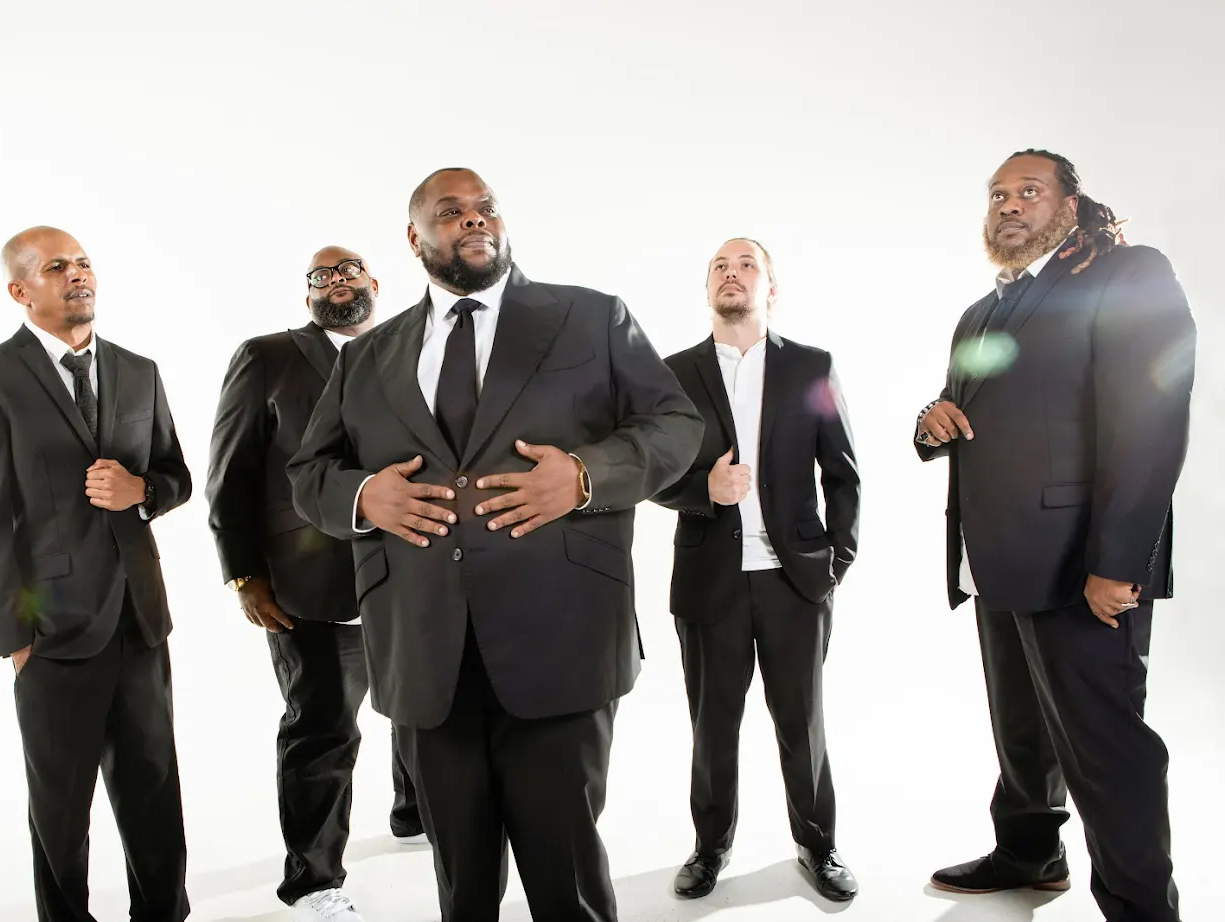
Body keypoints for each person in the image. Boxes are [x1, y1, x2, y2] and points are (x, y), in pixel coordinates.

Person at [288, 168, 704, 922]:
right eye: (450, 213)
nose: (473, 221)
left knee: (566, 880)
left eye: (485, 209)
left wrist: (584, 476)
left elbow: (675, 426)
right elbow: (308, 472)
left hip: (561, 636)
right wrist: (362, 496)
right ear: (414, 239)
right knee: (462, 885)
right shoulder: (365, 357)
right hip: (422, 648)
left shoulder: (590, 317)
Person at [916, 150, 1195, 922]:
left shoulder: (1127, 274)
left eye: (1028, 191)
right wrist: (927, 424)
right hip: (994, 559)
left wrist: (1116, 564)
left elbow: (1149, 422)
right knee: (1021, 730)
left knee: (1106, 751)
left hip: (1082, 565)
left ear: (1069, 205)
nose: (1009, 204)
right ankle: (1028, 851)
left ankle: (1141, 908)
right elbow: (958, 410)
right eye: (998, 194)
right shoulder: (980, 312)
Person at [0, 226, 192, 922]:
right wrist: (13, 636)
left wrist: (140, 490)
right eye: (57, 267)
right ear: (21, 290)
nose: (77, 274)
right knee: (60, 802)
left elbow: (176, 477)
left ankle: (163, 913)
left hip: (140, 619)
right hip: (50, 632)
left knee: (153, 785)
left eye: (84, 263)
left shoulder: (138, 371)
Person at [206, 245, 423, 922]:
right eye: (323, 276)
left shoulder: (407, 351)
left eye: (350, 271)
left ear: (374, 285)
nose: (338, 282)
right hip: (306, 578)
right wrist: (244, 574)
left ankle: (415, 815)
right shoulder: (265, 356)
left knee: (423, 705)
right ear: (308, 296)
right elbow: (230, 473)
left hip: (406, 570)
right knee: (323, 728)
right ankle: (313, 879)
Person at [651, 238, 860, 902]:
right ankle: (709, 848)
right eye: (719, 266)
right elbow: (649, 474)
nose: (731, 273)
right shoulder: (672, 373)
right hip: (708, 581)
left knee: (801, 722)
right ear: (706, 287)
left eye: (746, 265)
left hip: (794, 581)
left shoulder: (810, 367)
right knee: (711, 726)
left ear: (772, 287)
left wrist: (835, 562)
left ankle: (817, 847)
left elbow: (843, 473)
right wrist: (701, 492)